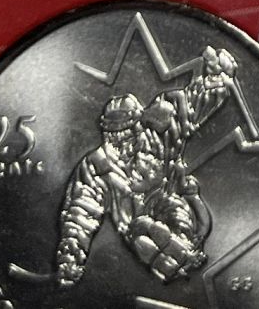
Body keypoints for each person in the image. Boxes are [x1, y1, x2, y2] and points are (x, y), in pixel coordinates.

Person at [54, 47, 238, 288]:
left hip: (168, 199)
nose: (121, 141)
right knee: (143, 236)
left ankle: (187, 251)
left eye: (125, 133)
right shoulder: (96, 167)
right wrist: (71, 253)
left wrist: (215, 79)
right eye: (114, 135)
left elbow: (190, 104)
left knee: (180, 222)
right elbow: (81, 209)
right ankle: (173, 268)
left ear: (137, 125)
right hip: (135, 222)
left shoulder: (159, 131)